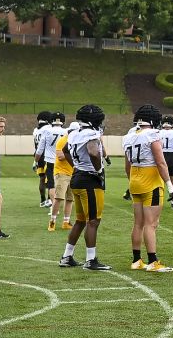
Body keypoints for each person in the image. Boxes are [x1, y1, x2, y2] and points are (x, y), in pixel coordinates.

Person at [59, 104, 111, 270]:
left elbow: (65, 150)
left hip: (77, 177)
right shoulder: (91, 134)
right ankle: (91, 260)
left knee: (81, 220)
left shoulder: (74, 133)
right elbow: (94, 152)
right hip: (89, 180)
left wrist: (76, 165)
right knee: (93, 221)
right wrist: (98, 170)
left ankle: (67, 256)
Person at [124, 104, 173, 273]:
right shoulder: (152, 134)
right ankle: (153, 261)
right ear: (153, 120)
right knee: (151, 224)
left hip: (135, 179)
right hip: (150, 180)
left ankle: (136, 260)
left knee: (138, 223)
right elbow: (160, 162)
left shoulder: (129, 136)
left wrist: (132, 180)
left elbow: (127, 165)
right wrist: (169, 184)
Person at [39, 112, 67, 229]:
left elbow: (40, 148)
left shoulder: (46, 131)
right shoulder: (66, 132)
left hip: (50, 161)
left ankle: (53, 207)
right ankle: (66, 217)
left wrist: (36, 160)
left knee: (51, 185)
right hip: (62, 161)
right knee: (64, 186)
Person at [52, 121, 77, 230]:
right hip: (62, 172)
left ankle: (66, 221)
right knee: (59, 198)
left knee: (70, 199)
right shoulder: (63, 140)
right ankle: (52, 221)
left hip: (72, 172)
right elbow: (61, 156)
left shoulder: (74, 140)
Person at [33, 111, 53, 207]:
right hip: (47, 155)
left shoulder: (35, 130)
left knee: (42, 178)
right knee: (50, 178)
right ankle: (49, 200)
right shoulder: (48, 128)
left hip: (38, 156)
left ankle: (42, 200)